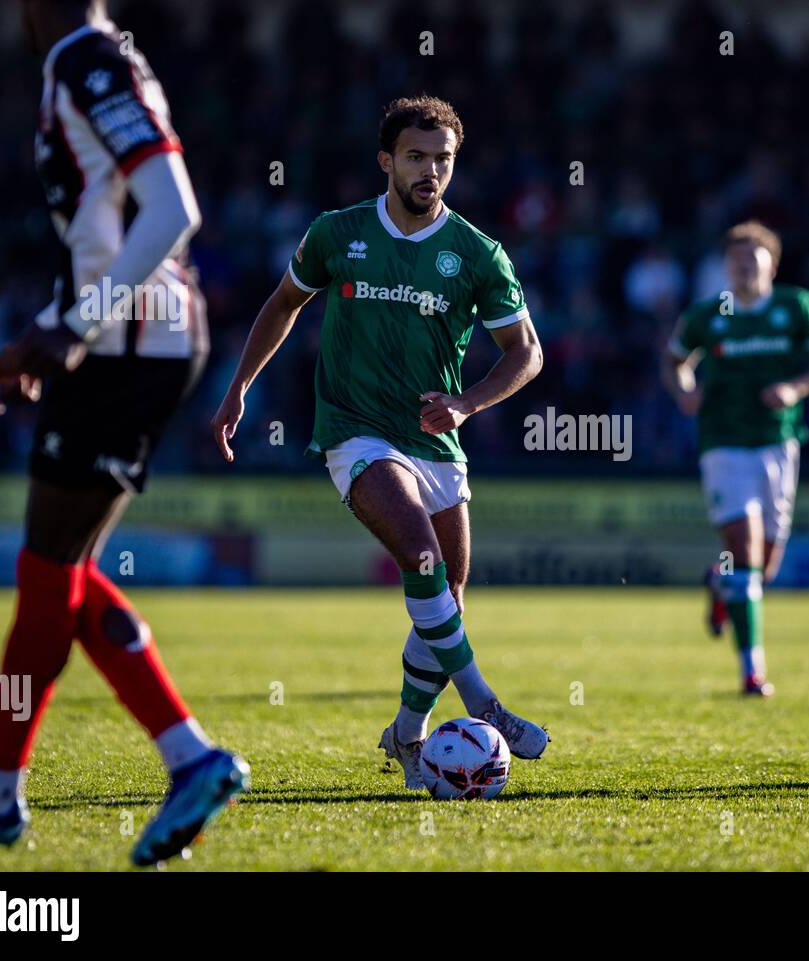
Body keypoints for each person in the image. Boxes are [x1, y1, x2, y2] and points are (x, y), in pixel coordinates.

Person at [0, 0, 248, 867]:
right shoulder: (87, 60)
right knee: (61, 572)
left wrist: (79, 324)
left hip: (128, 350)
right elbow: (107, 234)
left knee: (48, 566)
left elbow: (172, 207)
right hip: (128, 342)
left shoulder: (87, 61)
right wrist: (48, 325)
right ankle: (179, 759)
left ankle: (2, 791)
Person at [210, 95, 549, 790]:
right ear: (386, 160)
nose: (431, 171)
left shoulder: (478, 254)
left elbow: (526, 351)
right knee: (420, 555)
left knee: (447, 591)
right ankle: (486, 703)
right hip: (354, 430)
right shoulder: (338, 233)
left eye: (443, 160)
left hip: (435, 441)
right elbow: (282, 304)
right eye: (417, 157)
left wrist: (469, 401)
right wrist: (241, 384)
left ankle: (407, 736)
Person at [662, 221, 809, 695]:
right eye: (735, 260)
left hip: (779, 443)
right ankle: (752, 671)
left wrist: (796, 387)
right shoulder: (707, 314)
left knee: (763, 568)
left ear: (772, 265)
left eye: (752, 260)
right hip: (723, 445)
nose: (743, 267)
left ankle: (720, 584)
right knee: (744, 552)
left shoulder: (795, 306)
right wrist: (685, 390)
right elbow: (673, 360)